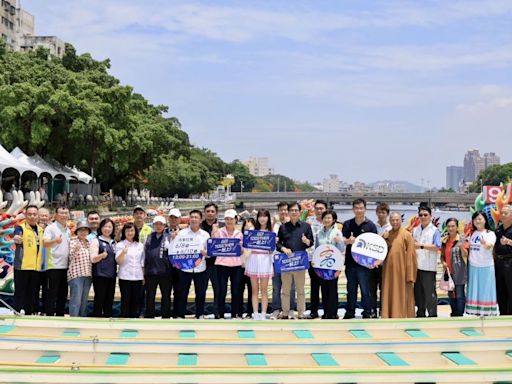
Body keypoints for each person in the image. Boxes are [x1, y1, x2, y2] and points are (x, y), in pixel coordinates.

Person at [276, 201, 314, 319]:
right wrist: (283, 248)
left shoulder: (306, 226)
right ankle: (286, 312)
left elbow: (311, 242)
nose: (294, 212)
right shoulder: (283, 227)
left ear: (299, 212)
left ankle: (301, 313)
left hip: (300, 263)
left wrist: (306, 241)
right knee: (285, 290)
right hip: (286, 263)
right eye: (291, 210)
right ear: (288, 212)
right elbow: (277, 244)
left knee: (300, 290)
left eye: (296, 210)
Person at [342, 199, 378, 319]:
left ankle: (367, 312)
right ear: (353, 209)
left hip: (364, 265)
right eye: (356, 208)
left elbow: (375, 245)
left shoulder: (371, 225)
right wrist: (349, 241)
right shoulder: (347, 224)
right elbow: (343, 241)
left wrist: (356, 241)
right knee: (351, 290)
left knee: (365, 290)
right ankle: (350, 312)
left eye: (361, 208)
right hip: (350, 263)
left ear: (365, 209)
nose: (359, 210)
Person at [174, 210, 210, 319]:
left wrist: (206, 253)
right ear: (189, 219)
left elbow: (209, 253)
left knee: (200, 293)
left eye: (196, 217)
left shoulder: (205, 235)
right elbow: (176, 249)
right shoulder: (182, 233)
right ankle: (181, 314)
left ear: (200, 220)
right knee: (182, 293)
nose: (194, 219)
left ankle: (199, 314)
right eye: (192, 217)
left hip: (200, 268)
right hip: (185, 268)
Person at [381, 212, 417, 318]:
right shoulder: (387, 234)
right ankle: (388, 314)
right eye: (392, 220)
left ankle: (403, 315)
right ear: (390, 221)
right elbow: (380, 250)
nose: (395, 222)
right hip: (388, 270)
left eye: (397, 220)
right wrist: (383, 238)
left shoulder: (407, 235)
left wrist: (410, 274)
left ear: (401, 221)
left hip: (402, 271)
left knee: (403, 293)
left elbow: (411, 256)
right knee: (389, 292)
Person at [12, 205, 44, 315]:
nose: (32, 216)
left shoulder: (40, 230)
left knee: (33, 293)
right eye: (29, 214)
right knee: (20, 292)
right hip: (22, 266)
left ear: (38, 216)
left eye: (34, 214)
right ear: (25, 215)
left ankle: (30, 313)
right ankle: (16, 313)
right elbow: (16, 236)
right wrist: (16, 238)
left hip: (36, 267)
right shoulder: (20, 228)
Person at [213, 209, 244, 319]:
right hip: (221, 264)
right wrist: (214, 232)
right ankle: (219, 313)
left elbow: (242, 250)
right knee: (221, 290)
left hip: (236, 265)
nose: (229, 221)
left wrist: (241, 249)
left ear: (235, 220)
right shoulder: (219, 232)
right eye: (227, 219)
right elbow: (213, 246)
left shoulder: (239, 234)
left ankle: (235, 313)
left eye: (231, 219)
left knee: (236, 291)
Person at [412, 206, 441, 318]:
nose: (423, 217)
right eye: (421, 215)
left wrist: (421, 246)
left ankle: (432, 314)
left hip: (428, 267)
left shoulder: (435, 231)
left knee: (430, 294)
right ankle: (420, 314)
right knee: (418, 293)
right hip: (417, 267)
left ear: (430, 216)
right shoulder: (415, 230)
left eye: (425, 215)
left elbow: (437, 247)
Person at [314, 209, 345, 319]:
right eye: (325, 218)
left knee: (332, 288)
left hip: (334, 265)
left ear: (334, 220)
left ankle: (333, 312)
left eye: (329, 218)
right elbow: (316, 249)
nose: (327, 220)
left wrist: (339, 241)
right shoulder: (319, 233)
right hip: (322, 264)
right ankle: (326, 312)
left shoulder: (337, 232)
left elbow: (341, 249)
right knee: (324, 288)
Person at [245, 209, 274, 320]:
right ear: (257, 218)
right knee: (254, 290)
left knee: (264, 290)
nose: (262, 218)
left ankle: (263, 314)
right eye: (260, 216)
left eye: (265, 216)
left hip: (265, 260)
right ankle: (255, 313)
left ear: (268, 218)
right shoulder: (252, 230)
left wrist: (273, 244)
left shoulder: (271, 231)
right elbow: (247, 245)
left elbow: (272, 251)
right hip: (253, 259)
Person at [466, 212, 497, 316]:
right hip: (473, 265)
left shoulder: (490, 233)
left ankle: (486, 312)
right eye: (475, 219)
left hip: (486, 265)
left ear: (485, 220)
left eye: (479, 219)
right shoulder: (472, 233)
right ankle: (474, 311)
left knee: (485, 289)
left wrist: (485, 243)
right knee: (474, 289)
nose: (477, 221)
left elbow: (490, 246)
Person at [43, 204, 71, 316]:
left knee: (63, 293)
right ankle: (49, 315)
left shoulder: (68, 229)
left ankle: (60, 314)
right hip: (53, 266)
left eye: (66, 213)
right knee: (52, 293)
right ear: (55, 215)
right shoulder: (50, 228)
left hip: (66, 266)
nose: (64, 215)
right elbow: (45, 243)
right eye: (61, 213)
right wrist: (55, 241)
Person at [271, 201, 295, 319]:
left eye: (286, 210)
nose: (284, 212)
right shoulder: (274, 224)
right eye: (281, 210)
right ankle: (276, 309)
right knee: (276, 287)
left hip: (290, 260)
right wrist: (273, 223)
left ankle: (290, 308)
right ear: (278, 211)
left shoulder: (293, 224)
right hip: (276, 259)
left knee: (291, 286)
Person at [144, 216, 172, 318]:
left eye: (161, 224)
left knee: (166, 296)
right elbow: (144, 254)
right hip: (150, 272)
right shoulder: (149, 237)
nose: (159, 226)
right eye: (156, 224)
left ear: (164, 225)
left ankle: (166, 316)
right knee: (150, 296)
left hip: (165, 272)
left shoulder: (169, 237)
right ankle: (149, 315)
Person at [115, 223, 144, 318]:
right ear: (124, 232)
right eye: (127, 231)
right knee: (126, 300)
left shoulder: (140, 245)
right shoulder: (120, 245)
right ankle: (125, 320)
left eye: (132, 230)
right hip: (125, 277)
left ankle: (134, 320)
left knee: (136, 300)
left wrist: (143, 276)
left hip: (138, 277)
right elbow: (119, 261)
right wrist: (123, 253)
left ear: (135, 232)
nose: (129, 233)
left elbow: (142, 262)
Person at [441, 218, 468, 317]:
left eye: (453, 226)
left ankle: (459, 313)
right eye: (448, 226)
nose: (450, 228)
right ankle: (454, 312)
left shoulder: (461, 239)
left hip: (459, 271)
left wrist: (461, 246)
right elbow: (442, 255)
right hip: (449, 272)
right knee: (450, 294)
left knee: (460, 294)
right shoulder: (445, 241)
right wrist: (443, 262)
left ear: (457, 227)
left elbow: (466, 254)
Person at [90, 218, 117, 318]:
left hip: (111, 275)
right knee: (99, 299)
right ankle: (97, 320)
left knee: (109, 300)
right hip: (100, 275)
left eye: (110, 227)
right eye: (105, 226)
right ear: (101, 228)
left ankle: (108, 320)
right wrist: (101, 256)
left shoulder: (114, 242)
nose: (107, 229)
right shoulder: (96, 241)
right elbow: (93, 259)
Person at [201, 202, 224, 318]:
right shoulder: (199, 227)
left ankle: (218, 313)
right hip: (202, 263)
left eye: (212, 211)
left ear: (216, 213)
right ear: (204, 213)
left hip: (218, 263)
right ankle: (200, 313)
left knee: (218, 290)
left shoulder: (222, 226)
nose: (210, 214)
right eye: (208, 211)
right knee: (201, 290)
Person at [306, 200, 327, 319]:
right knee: (314, 286)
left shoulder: (330, 223)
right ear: (314, 210)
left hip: (327, 260)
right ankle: (313, 311)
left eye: (322, 208)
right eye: (317, 208)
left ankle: (326, 310)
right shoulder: (309, 223)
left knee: (326, 286)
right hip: (312, 258)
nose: (319, 211)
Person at [68, 220, 92, 317]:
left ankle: (82, 319)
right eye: (81, 230)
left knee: (84, 300)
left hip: (87, 275)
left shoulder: (88, 243)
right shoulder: (73, 242)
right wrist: (75, 250)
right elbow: (69, 257)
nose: (83, 232)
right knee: (76, 300)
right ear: (77, 231)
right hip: (76, 275)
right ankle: (74, 320)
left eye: (85, 230)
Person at [371, 202, 392, 318]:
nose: (381, 214)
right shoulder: (373, 226)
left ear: (387, 214)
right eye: (379, 212)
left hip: (386, 263)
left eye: (383, 212)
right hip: (373, 263)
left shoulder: (391, 227)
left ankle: (383, 310)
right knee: (372, 289)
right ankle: (373, 310)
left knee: (384, 289)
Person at [494, 205, 512, 315]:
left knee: (510, 289)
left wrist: (509, 242)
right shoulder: (498, 230)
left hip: (510, 262)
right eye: (502, 213)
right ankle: (503, 313)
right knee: (500, 289)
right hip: (499, 263)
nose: (503, 215)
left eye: (506, 213)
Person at [167, 208, 182, 318]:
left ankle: (178, 314)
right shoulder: (162, 231)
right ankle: (166, 314)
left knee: (179, 291)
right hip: (166, 267)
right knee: (166, 292)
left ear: (180, 219)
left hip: (180, 267)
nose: (173, 219)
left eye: (175, 217)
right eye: (171, 217)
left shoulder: (185, 233)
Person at [240, 218, 256, 318]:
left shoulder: (257, 239)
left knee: (252, 290)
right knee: (239, 290)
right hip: (241, 267)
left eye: (251, 226)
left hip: (253, 267)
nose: (248, 228)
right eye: (246, 226)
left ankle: (250, 312)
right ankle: (239, 311)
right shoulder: (240, 237)